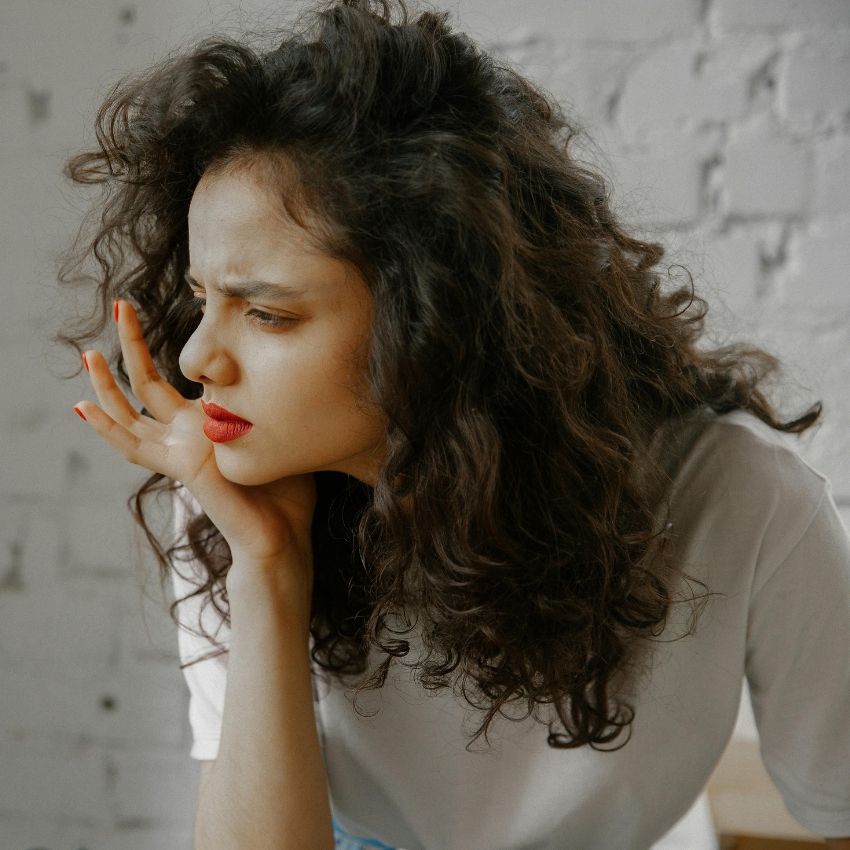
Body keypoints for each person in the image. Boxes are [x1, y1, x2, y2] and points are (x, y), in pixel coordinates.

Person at [60, 1, 850, 848]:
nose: (194, 362)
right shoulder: (235, 483)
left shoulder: (739, 500)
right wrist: (267, 564)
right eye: (202, 298)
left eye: (267, 314)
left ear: (433, 316)